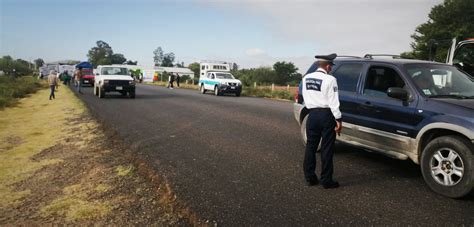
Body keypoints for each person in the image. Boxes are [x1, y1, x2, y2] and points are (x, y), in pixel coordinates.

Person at [302, 53, 342, 189]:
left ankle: (310, 178)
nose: (331, 69)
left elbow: (305, 96)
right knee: (327, 148)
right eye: (331, 66)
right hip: (326, 115)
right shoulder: (330, 80)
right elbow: (333, 101)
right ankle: (326, 180)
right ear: (328, 66)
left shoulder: (306, 78)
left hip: (312, 115)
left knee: (311, 147)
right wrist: (338, 119)